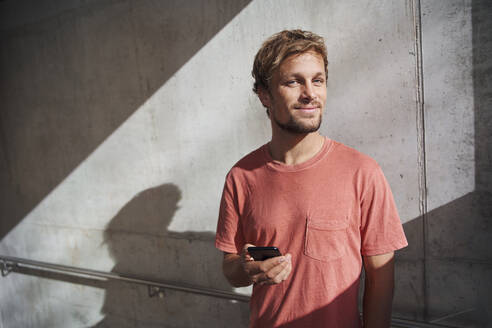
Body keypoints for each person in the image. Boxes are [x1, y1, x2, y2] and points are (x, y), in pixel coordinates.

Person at [215, 29, 408, 328]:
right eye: (293, 81)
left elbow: (382, 278)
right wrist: (245, 266)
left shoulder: (363, 172)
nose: (310, 93)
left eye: (317, 80)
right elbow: (229, 268)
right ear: (264, 94)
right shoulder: (241, 176)